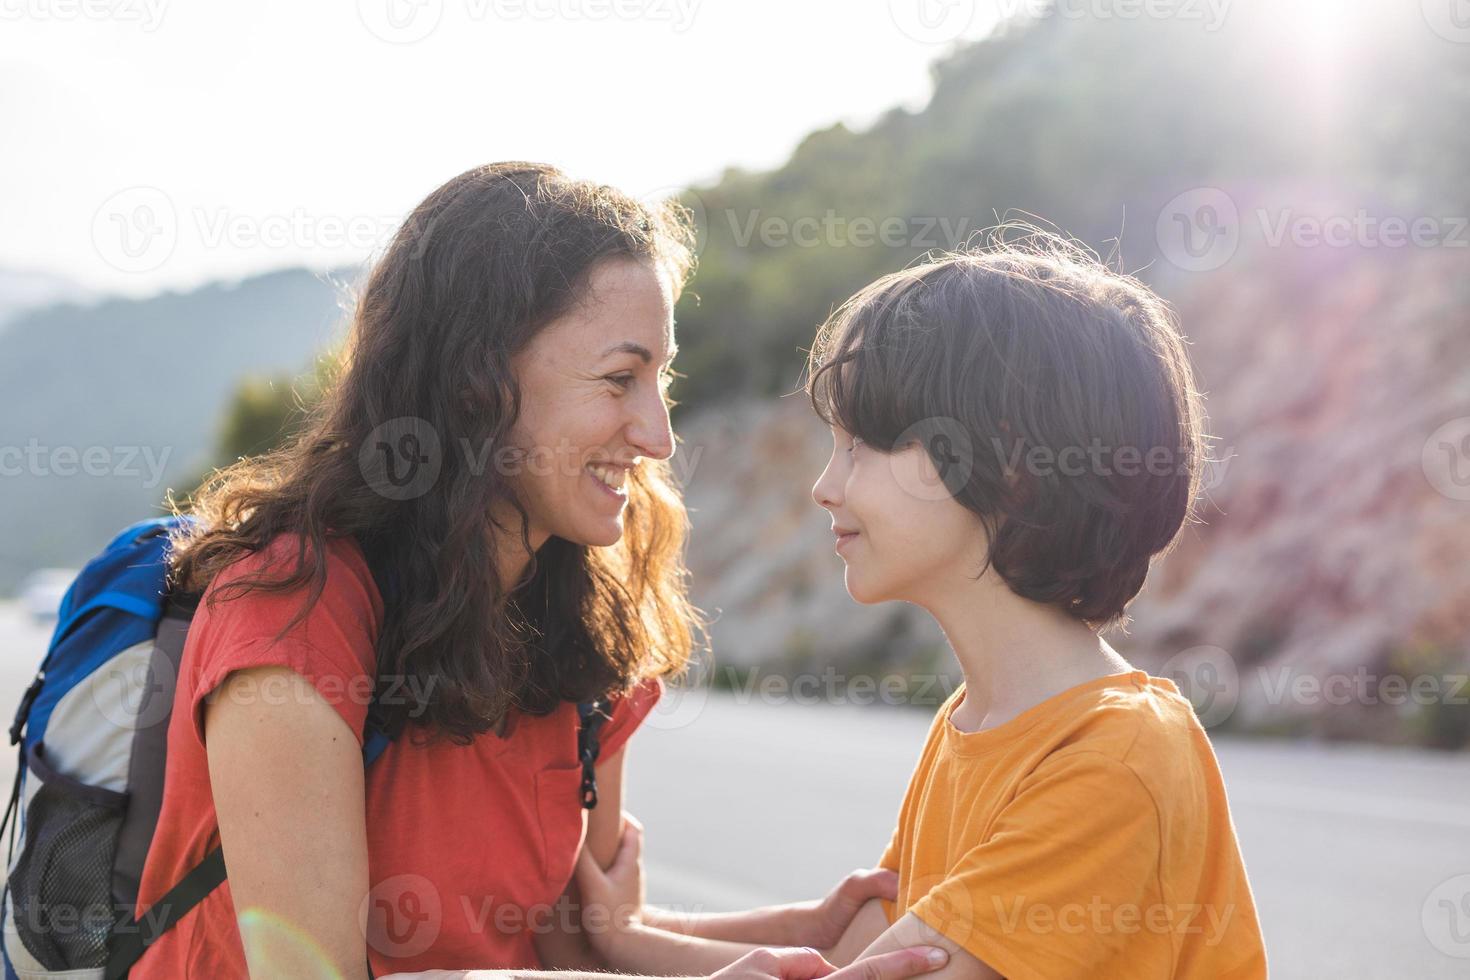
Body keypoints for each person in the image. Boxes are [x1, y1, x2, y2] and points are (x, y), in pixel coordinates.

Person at [131, 162, 938, 980]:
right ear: (475, 384)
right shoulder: (293, 614)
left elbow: (571, 944)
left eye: (662, 378)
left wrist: (809, 935)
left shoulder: (581, 615)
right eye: (620, 379)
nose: (658, 435)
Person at [574, 232, 1270, 978]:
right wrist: (622, 940)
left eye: (860, 445)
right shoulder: (975, 723)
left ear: (1005, 466)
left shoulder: (1114, 759)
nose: (824, 486)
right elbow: (847, 958)